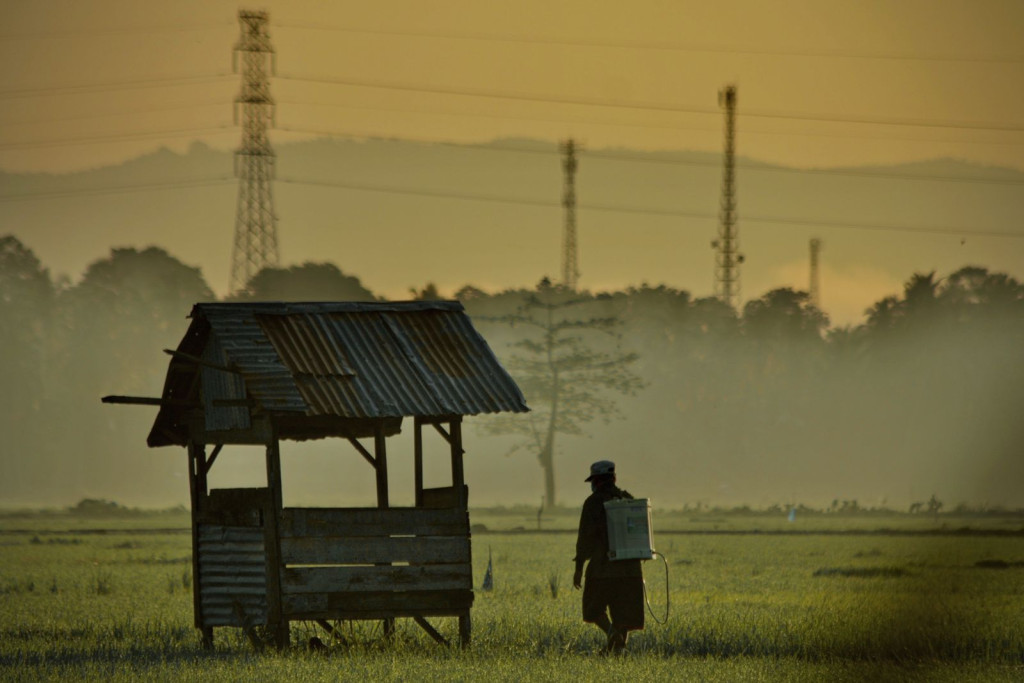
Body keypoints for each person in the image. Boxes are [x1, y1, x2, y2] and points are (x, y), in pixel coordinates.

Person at [573, 460, 644, 653]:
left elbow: (585, 537)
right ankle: (616, 649)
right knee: (624, 613)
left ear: (596, 481)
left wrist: (579, 567)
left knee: (593, 609)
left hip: (602, 568)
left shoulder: (593, 502)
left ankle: (611, 633)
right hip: (630, 570)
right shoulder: (628, 499)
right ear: (614, 478)